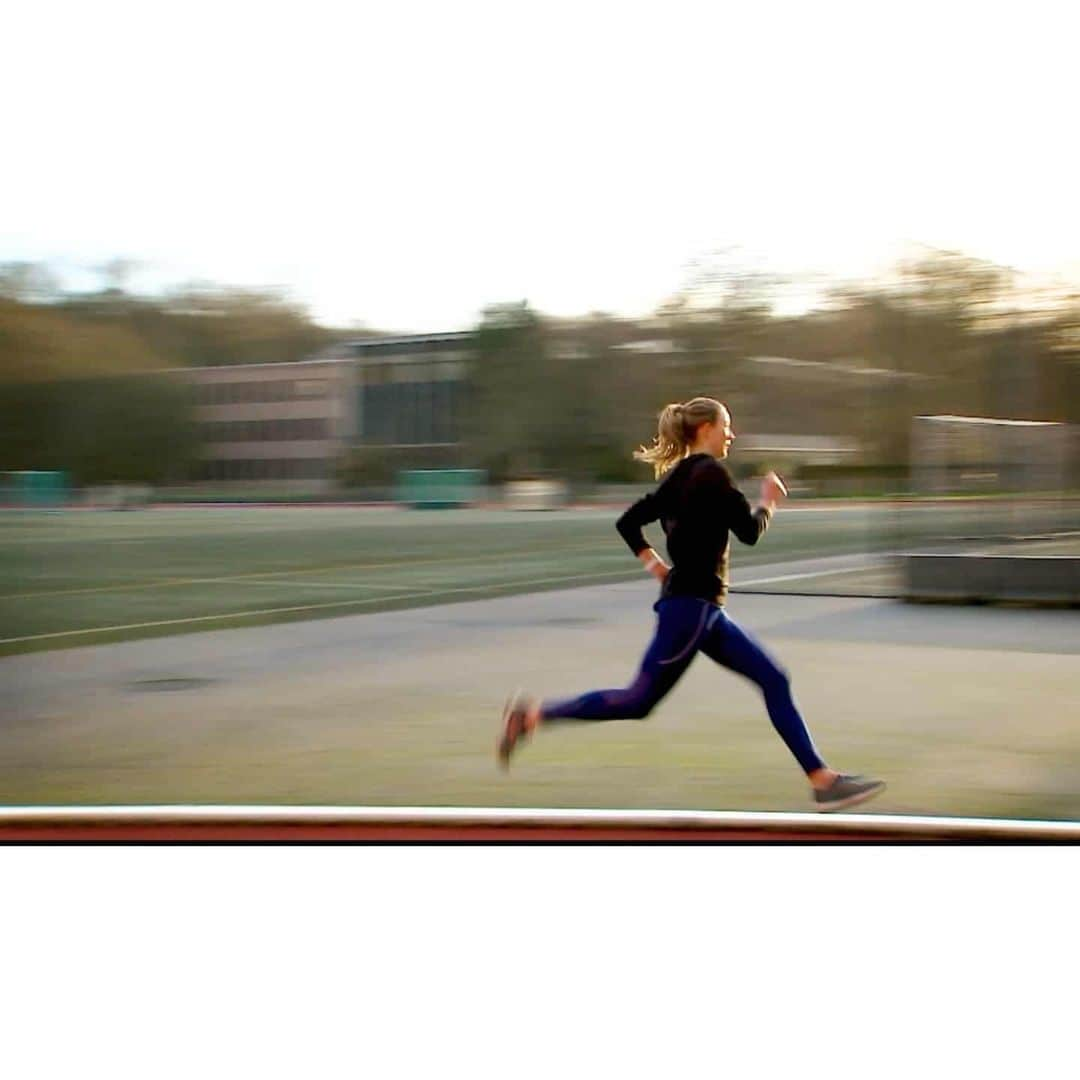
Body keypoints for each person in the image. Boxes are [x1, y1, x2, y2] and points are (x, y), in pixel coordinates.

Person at [497, 396, 885, 812]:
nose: (731, 435)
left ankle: (822, 781)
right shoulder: (712, 475)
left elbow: (628, 522)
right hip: (691, 610)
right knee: (638, 701)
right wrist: (769, 499)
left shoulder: (678, 476)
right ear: (705, 429)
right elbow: (750, 532)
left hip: (702, 611)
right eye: (726, 427)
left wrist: (657, 566)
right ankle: (534, 714)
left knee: (774, 678)